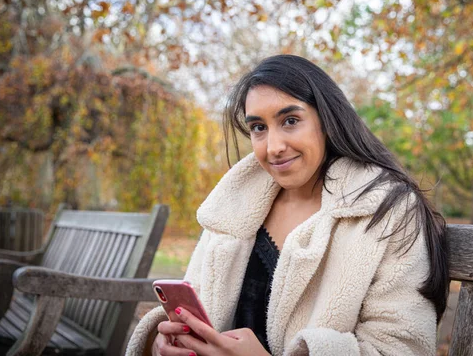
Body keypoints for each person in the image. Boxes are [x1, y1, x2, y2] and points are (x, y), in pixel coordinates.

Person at [126, 55, 449, 356]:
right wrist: (166, 341)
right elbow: (197, 304)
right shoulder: (232, 207)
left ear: (327, 120)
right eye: (258, 128)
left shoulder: (386, 209)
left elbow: (402, 347)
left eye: (291, 120)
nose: (274, 147)